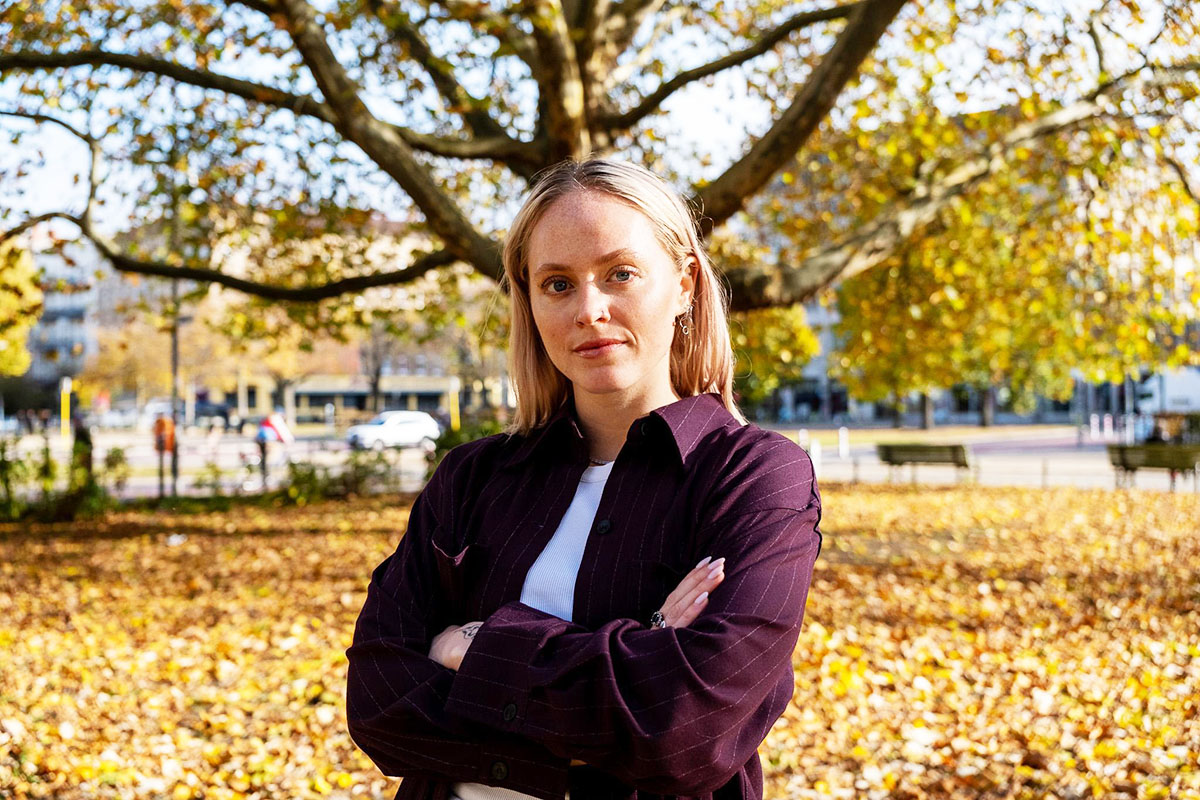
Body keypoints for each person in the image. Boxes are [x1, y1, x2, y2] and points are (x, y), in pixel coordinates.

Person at [346, 159, 823, 800]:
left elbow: (687, 728)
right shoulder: (470, 478)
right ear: (531, 300)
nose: (589, 310)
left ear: (684, 284)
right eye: (558, 284)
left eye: (620, 274)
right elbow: (378, 701)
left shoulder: (753, 476)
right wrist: (643, 643)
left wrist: (475, 647)